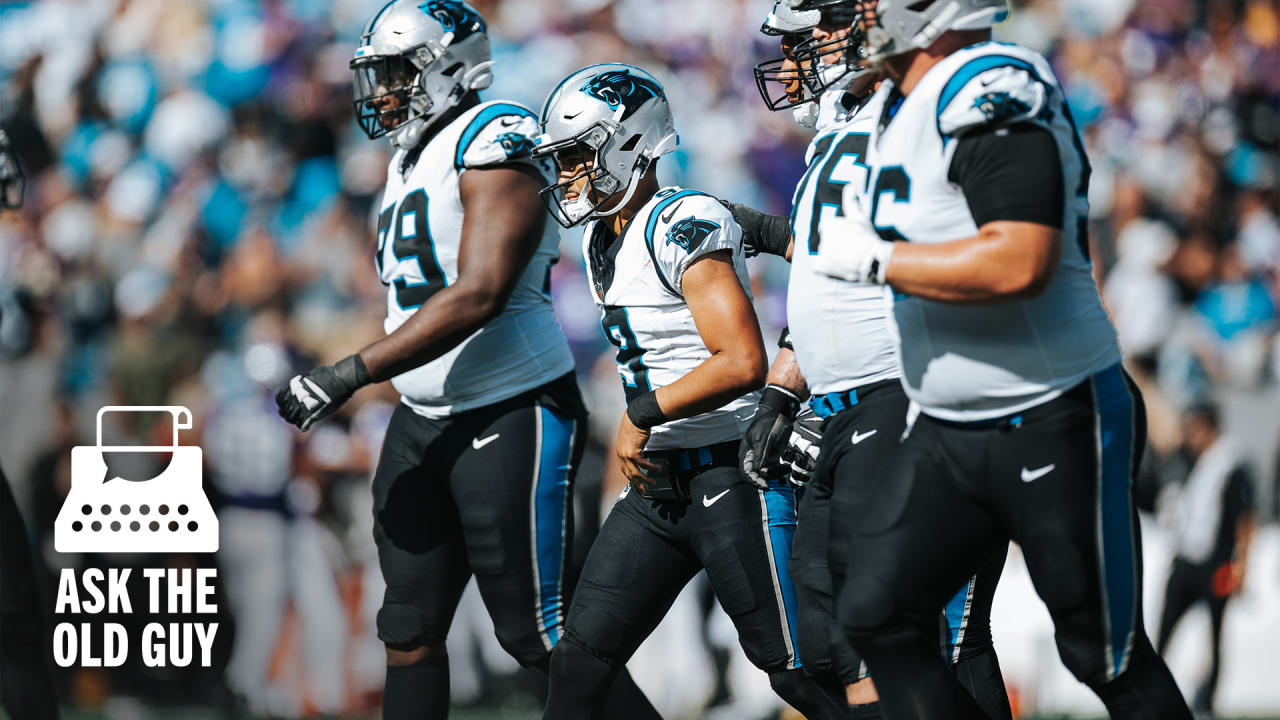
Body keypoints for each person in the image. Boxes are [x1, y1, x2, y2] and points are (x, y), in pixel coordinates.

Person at [274, 3, 656, 718]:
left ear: (447, 66)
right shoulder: (408, 155)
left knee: (535, 635)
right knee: (407, 626)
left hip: (511, 408)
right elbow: (405, 298)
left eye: (394, 72)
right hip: (424, 419)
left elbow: (480, 291)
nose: (381, 90)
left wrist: (350, 372)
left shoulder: (495, 134)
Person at [813, 1, 1193, 718]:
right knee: (875, 615)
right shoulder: (899, 100)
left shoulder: (989, 85)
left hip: (1050, 410)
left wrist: (874, 261)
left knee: (1101, 654)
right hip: (948, 425)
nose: (852, 16)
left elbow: (1022, 258)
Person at [531, 63, 845, 720]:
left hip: (733, 472)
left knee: (796, 675)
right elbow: (792, 242)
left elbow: (740, 359)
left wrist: (641, 415)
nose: (567, 176)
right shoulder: (604, 233)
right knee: (579, 665)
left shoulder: (679, 220)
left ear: (629, 143)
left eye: (577, 156)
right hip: (660, 489)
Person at [730, 3, 1010, 718]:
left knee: (921, 635)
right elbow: (827, 282)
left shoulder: (922, 110)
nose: (789, 63)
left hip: (915, 395)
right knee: (838, 649)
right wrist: (782, 394)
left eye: (801, 42)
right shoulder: (838, 132)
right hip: (849, 407)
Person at [1156, 403, 1257, 716]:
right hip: (1187, 558)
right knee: (1164, 630)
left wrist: (1241, 566)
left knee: (1214, 634)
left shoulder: (1232, 462)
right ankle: (1153, 693)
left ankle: (1206, 702)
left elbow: (1245, 518)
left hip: (1216, 561)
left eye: (1195, 429)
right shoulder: (1191, 461)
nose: (1191, 436)